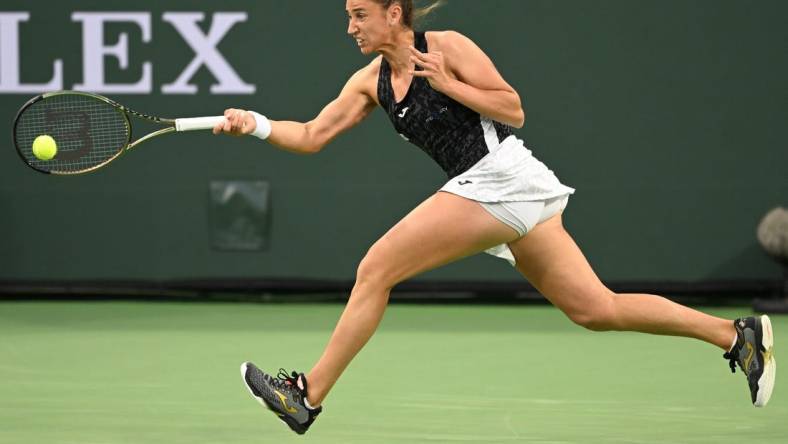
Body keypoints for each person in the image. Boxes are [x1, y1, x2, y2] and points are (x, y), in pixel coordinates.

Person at [214, 0, 776, 435]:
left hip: (500, 175)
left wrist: (447, 81)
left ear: (393, 13)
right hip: (493, 189)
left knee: (375, 268)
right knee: (595, 308)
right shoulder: (370, 83)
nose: (350, 27)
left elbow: (513, 107)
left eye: (359, 14)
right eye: (348, 16)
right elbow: (313, 135)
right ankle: (735, 336)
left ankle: (306, 398)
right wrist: (256, 124)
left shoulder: (449, 45)